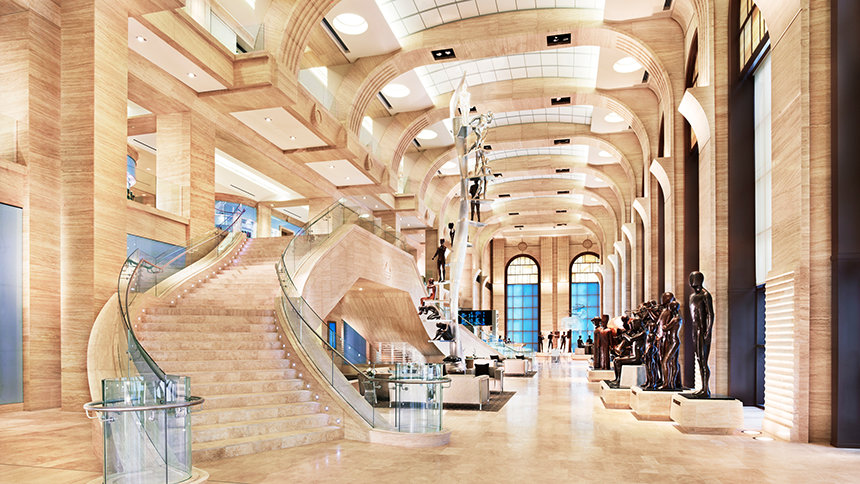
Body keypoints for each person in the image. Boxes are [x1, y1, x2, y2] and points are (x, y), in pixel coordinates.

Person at [689, 271, 715, 397]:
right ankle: (703, 387)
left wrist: (708, 331)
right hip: (695, 330)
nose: (691, 281)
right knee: (699, 359)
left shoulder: (705, 295)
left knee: (704, 360)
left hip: (702, 330)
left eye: (693, 278)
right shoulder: (692, 297)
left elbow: (710, 314)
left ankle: (706, 389)